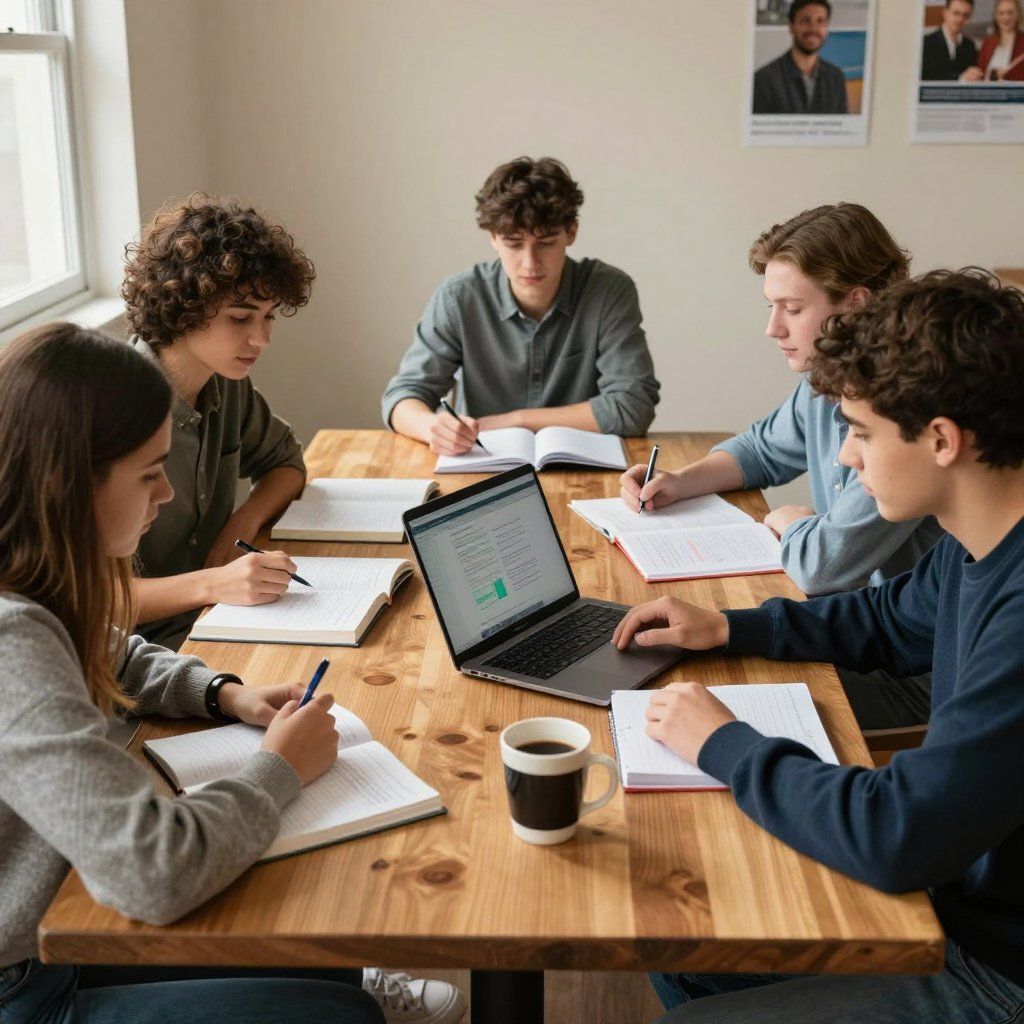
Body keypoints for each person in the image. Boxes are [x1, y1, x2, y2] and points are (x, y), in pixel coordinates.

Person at [612, 269, 1024, 1023]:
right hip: (959, 902)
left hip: (1001, 973)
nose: (843, 459)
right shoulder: (980, 543)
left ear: (941, 440)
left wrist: (726, 745)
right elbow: (889, 621)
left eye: (862, 433)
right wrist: (732, 627)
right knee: (689, 952)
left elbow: (898, 831)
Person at [0, 323, 382, 1024]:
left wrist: (220, 692)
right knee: (340, 1015)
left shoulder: (35, 579)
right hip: (27, 988)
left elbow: (111, 646)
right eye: (149, 473)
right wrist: (277, 769)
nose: (168, 494)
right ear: (67, 484)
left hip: (60, 911)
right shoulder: (8, 641)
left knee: (331, 953)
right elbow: (155, 869)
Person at [620, 204, 943, 733]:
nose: (772, 328)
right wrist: (679, 481)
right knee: (677, 666)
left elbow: (823, 566)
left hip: (904, 675)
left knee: (690, 689)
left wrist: (793, 523)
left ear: (855, 305)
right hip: (850, 627)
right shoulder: (823, 381)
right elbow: (760, 451)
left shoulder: (903, 419)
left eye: (791, 308)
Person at [122, 194, 311, 651]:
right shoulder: (113, 408)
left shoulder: (226, 383)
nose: (261, 339)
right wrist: (212, 583)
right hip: (140, 654)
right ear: (183, 306)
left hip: (219, 620)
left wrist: (242, 523)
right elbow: (89, 600)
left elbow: (287, 465)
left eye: (267, 318)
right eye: (240, 318)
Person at [382, 156, 660, 455]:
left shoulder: (608, 291)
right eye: (514, 243)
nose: (530, 263)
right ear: (493, 238)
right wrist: (432, 427)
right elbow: (402, 397)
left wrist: (516, 420)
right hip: (480, 467)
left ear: (571, 232)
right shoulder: (459, 297)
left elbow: (633, 406)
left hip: (582, 470)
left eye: (546, 243)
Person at [752, 0, 849, 115]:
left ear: (827, 27)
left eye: (820, 21)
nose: (813, 28)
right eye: (805, 20)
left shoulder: (836, 77)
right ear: (791, 27)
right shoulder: (764, 80)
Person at [920, 0, 982, 81]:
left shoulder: (970, 46)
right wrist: (961, 78)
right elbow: (925, 77)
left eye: (965, 15)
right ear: (945, 13)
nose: (960, 19)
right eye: (956, 13)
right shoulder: (926, 43)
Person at [976, 0, 1024, 81]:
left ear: (1017, 14)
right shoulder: (988, 43)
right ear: (996, 16)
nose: (1006, 17)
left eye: (1010, 12)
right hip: (988, 92)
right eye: (1001, 13)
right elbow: (980, 74)